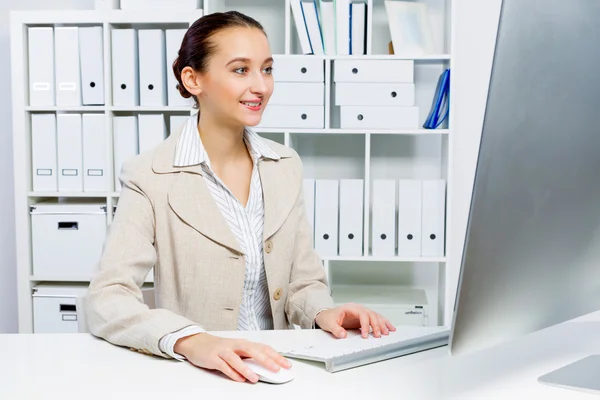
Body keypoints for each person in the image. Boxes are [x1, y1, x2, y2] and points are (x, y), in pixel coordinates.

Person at [85, 10, 395, 384]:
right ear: (193, 79)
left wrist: (324, 312)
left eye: (266, 69)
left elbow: (302, 282)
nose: (261, 86)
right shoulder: (150, 175)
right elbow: (107, 297)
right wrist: (191, 340)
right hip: (200, 375)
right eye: (240, 70)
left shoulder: (284, 165)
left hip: (278, 367)